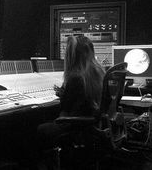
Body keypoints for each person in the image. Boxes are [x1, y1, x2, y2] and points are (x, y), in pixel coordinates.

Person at [36, 35, 105, 165]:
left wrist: (64, 95)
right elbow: (84, 99)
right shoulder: (99, 72)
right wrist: (66, 93)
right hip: (94, 125)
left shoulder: (76, 78)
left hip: (76, 126)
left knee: (38, 129)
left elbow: (65, 111)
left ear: (71, 55)